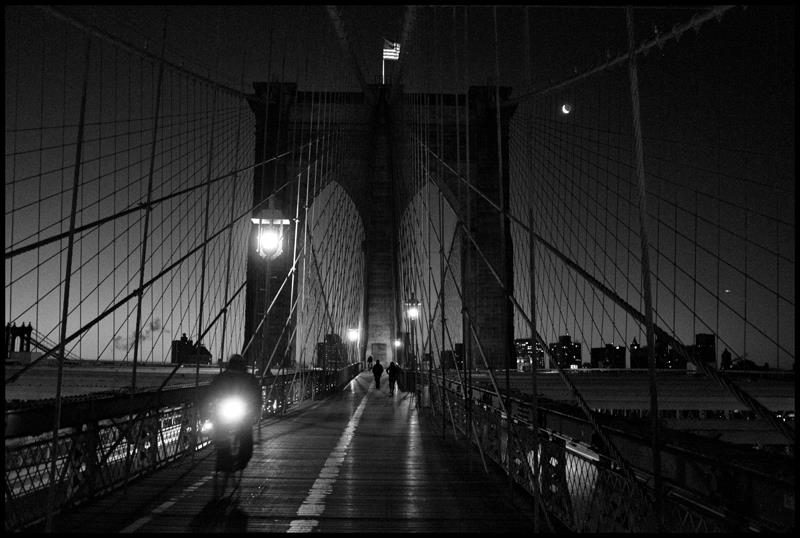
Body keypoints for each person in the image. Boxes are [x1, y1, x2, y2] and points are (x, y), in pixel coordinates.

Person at [204, 354, 262, 470]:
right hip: (225, 408)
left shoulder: (223, 377)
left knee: (244, 432)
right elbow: (210, 393)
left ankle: (237, 460)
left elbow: (257, 396)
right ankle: (230, 458)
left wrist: (255, 408)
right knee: (225, 429)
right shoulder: (248, 378)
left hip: (243, 409)